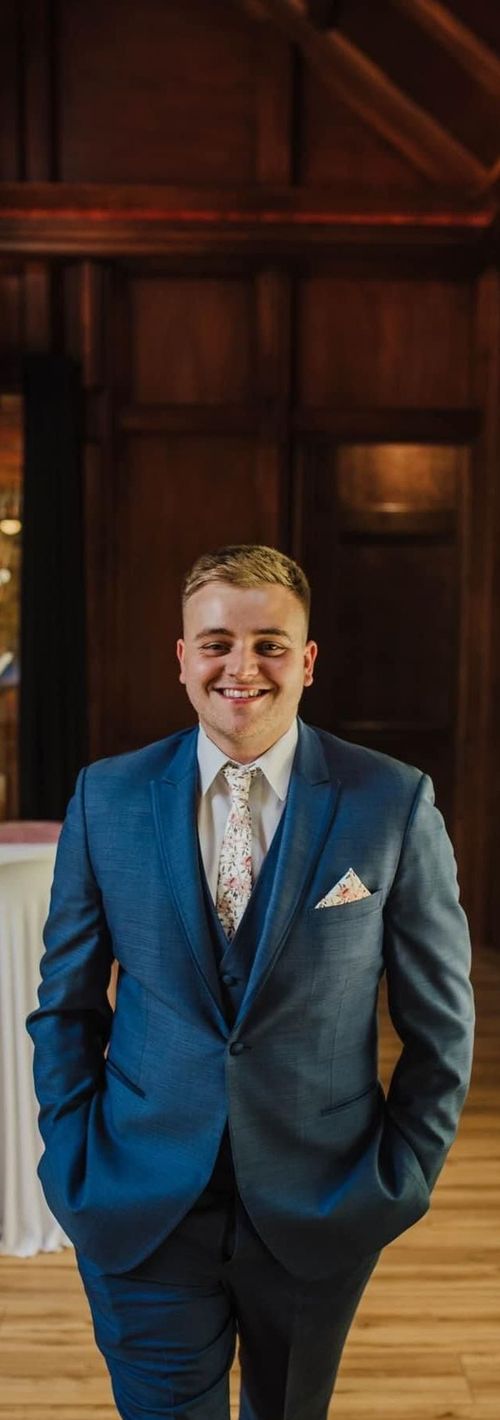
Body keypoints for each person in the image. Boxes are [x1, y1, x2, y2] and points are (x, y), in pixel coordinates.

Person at [27, 543, 474, 1420]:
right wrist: (73, 1158)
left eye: (271, 643)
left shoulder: (391, 800)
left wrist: (401, 1176)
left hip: (322, 1202)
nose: (243, 666)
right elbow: (66, 1006)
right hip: (137, 1195)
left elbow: (441, 1026)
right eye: (217, 641)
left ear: (307, 662)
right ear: (182, 658)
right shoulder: (107, 797)